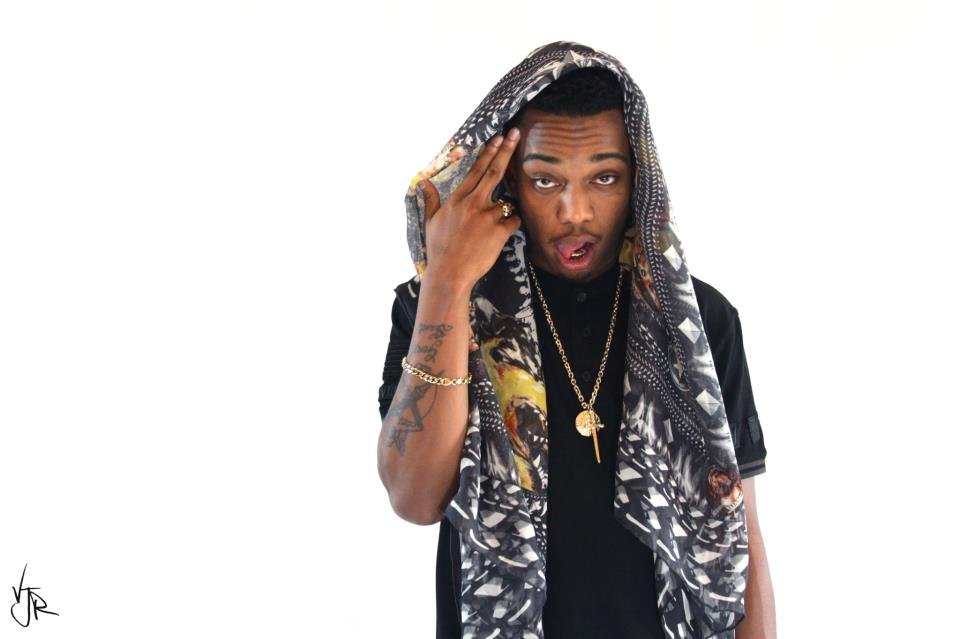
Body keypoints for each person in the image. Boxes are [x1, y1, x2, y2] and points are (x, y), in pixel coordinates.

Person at [376, 42, 776, 639]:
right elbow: (415, 499)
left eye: (604, 178)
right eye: (545, 180)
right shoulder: (437, 308)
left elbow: (738, 530)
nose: (576, 211)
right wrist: (448, 280)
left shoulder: (697, 320)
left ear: (639, 180)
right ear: (508, 181)